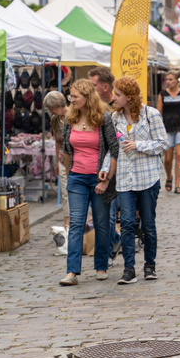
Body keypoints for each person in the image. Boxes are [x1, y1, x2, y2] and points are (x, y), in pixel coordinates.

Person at [58, 80, 119, 286]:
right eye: (70, 97)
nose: (71, 100)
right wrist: (70, 174)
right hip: (77, 178)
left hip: (99, 178)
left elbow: (114, 150)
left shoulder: (104, 119)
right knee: (76, 223)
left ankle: (101, 266)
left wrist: (107, 179)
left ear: (87, 97)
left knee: (102, 223)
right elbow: (67, 150)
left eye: (75, 96)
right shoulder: (69, 119)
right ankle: (72, 272)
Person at [111, 76, 169, 284]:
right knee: (126, 222)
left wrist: (138, 145)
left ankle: (150, 265)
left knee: (148, 224)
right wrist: (105, 170)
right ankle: (129, 269)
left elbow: (163, 144)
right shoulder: (114, 118)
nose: (114, 98)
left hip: (147, 177)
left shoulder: (150, 114)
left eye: (117, 95)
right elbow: (114, 149)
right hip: (125, 178)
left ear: (129, 97)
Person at [88, 66, 121, 262]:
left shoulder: (118, 106)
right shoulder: (93, 108)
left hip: (120, 170)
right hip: (100, 170)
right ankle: (114, 242)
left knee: (110, 216)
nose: (90, 90)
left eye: (93, 86)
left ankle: (108, 251)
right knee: (104, 216)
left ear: (105, 87)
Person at [157, 70, 180, 194]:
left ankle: (177, 185)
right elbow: (159, 113)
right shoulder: (162, 95)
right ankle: (169, 176)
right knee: (168, 158)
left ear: (177, 80)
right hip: (167, 129)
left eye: (171, 79)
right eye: (167, 80)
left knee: (179, 156)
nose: (168, 82)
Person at [44, 91, 69, 227]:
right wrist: (56, 162)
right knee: (65, 193)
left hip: (77, 160)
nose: (50, 111)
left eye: (51, 108)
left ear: (59, 106)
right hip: (62, 160)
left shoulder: (74, 115)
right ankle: (67, 221)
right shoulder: (54, 119)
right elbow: (57, 140)